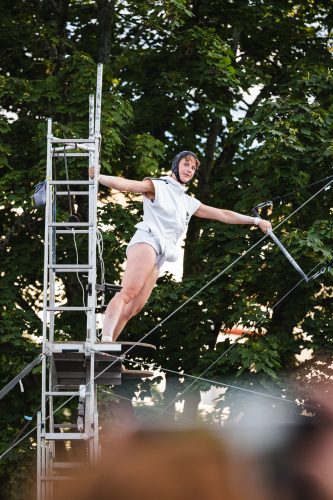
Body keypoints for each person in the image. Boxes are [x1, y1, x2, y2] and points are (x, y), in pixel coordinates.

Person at [89, 151, 271, 342]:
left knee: (134, 307)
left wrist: (256, 221)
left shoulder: (187, 201)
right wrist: (99, 177)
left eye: (193, 168)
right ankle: (106, 342)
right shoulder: (158, 186)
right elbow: (128, 185)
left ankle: (108, 348)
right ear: (176, 165)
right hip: (147, 242)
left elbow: (223, 214)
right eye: (186, 164)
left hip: (160, 253)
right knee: (128, 292)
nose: (189, 170)